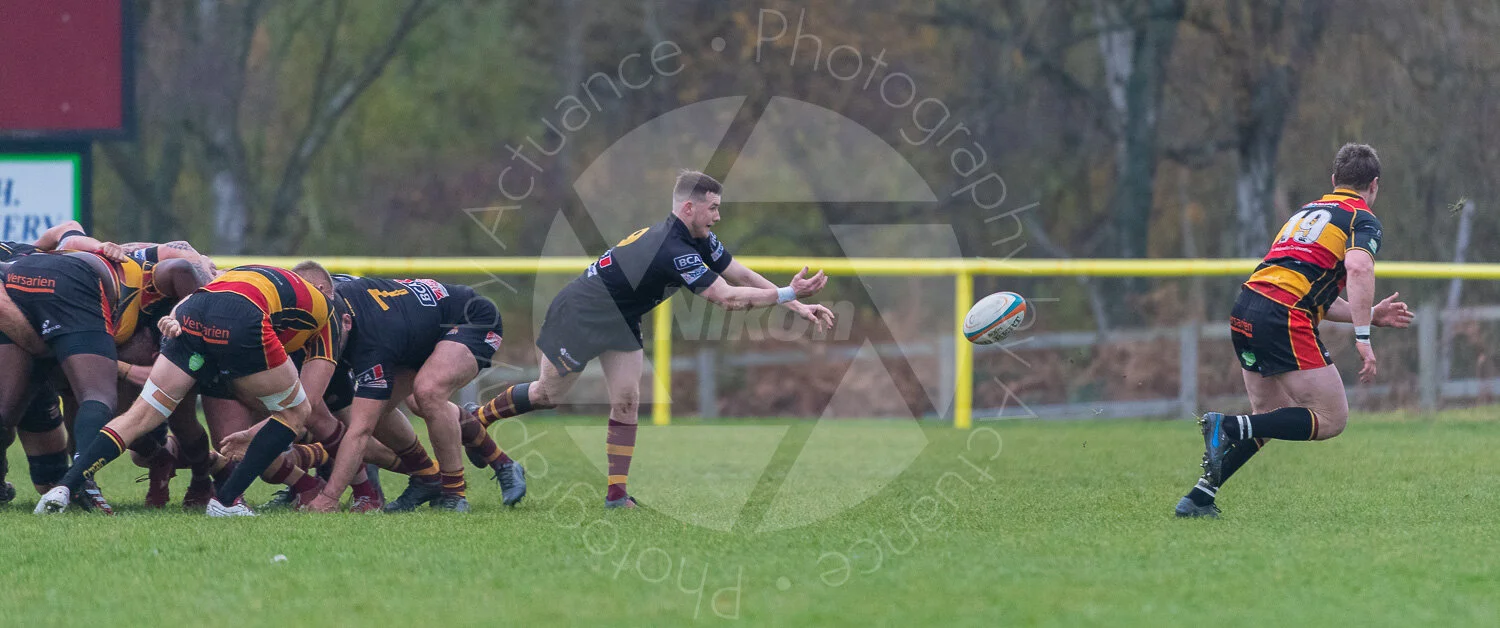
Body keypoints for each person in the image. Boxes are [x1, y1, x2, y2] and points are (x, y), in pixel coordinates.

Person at [469, 170, 836, 508]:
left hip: (620, 318)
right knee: (547, 395)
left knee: (627, 399)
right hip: (580, 315)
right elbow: (727, 298)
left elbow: (736, 272)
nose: (718, 216)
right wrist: (787, 294)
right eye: (713, 208)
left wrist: (796, 305)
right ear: (689, 207)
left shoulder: (698, 236)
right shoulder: (671, 249)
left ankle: (617, 496)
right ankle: (478, 417)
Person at [1177, 144, 1415, 518]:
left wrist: (1365, 313)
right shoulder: (1360, 217)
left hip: (1246, 307)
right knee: (1332, 418)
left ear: (1334, 181)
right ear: (1374, 185)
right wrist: (1364, 337)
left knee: (1269, 414)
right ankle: (1226, 426)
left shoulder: (1306, 212)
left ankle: (1199, 497)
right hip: (1282, 315)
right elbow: (1358, 269)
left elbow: (1309, 288)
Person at [35, 264, 332, 516]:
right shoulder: (329, 310)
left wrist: (174, 318)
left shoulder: (251, 274)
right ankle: (225, 501)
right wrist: (257, 433)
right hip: (241, 319)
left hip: (191, 312)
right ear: (322, 287)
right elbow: (311, 397)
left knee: (142, 415)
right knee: (297, 409)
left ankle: (63, 488)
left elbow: (201, 297)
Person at [306, 275, 508, 513]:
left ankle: (454, 493)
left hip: (470, 319)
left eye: (329, 337)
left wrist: (330, 496)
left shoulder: (372, 342)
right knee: (377, 412)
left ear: (347, 323)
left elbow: (360, 433)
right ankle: (427, 477)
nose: (322, 345)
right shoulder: (326, 305)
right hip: (415, 331)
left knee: (427, 393)